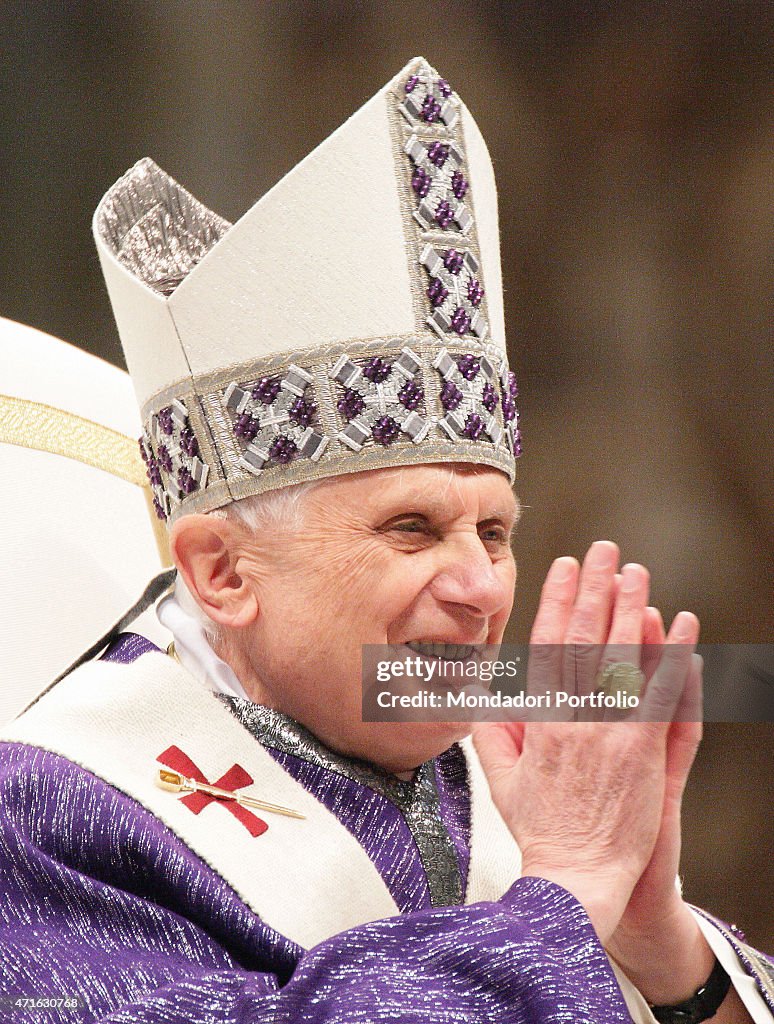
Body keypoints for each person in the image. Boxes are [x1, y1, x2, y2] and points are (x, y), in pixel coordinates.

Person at [0, 57, 771, 1024]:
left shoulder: (503, 773)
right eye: (413, 528)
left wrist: (663, 955)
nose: (484, 588)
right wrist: (566, 896)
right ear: (222, 570)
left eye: (495, 532)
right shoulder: (52, 817)